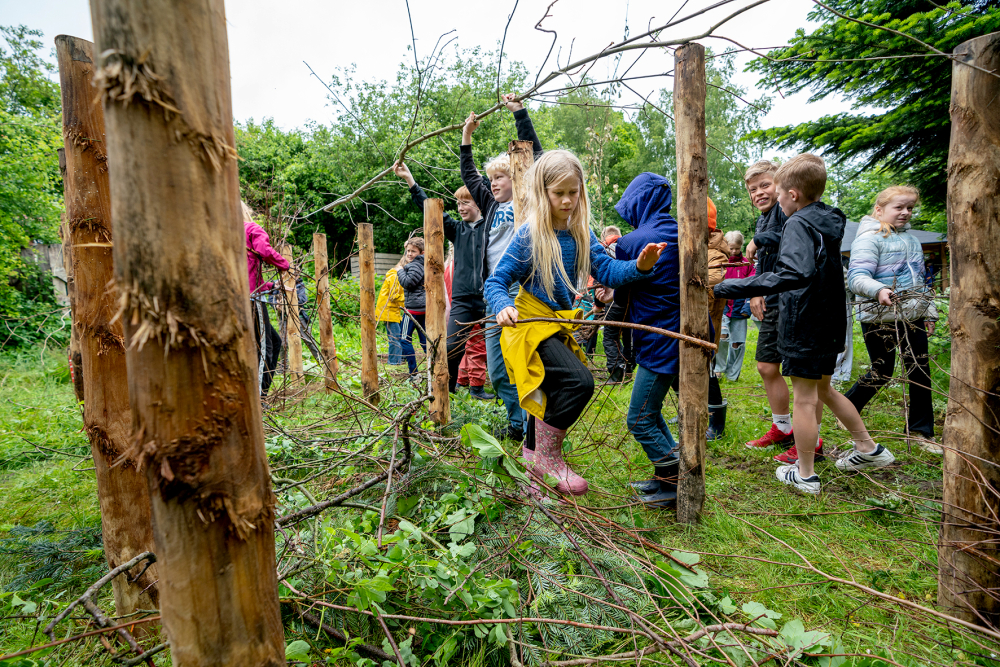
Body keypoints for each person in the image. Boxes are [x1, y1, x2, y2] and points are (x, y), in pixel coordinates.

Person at [484, 150, 667, 496]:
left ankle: (532, 467)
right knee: (578, 382)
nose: (568, 200)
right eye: (559, 193)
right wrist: (502, 305)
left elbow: (609, 271)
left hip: (559, 322)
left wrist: (641, 268)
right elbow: (496, 281)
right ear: (543, 192)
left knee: (550, 390)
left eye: (574, 191)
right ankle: (548, 459)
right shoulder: (530, 236)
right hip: (530, 321)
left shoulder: (582, 233)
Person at [714, 153, 895, 494]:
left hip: (805, 320)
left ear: (792, 194)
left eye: (778, 192)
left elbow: (794, 274)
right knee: (824, 389)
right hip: (829, 321)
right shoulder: (828, 219)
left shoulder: (797, 223)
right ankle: (869, 448)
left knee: (806, 399)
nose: (776, 199)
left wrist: (727, 287)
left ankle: (806, 473)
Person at [461, 94, 543, 442]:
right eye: (491, 179)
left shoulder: (529, 199)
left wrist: (519, 113)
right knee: (496, 367)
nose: (494, 183)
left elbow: (536, 158)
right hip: (496, 292)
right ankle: (516, 420)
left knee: (524, 361)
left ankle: (534, 426)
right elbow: (468, 172)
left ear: (517, 179)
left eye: (501, 178)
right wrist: (467, 136)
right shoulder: (490, 206)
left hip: (523, 289)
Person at [844, 185, 941, 454]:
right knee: (882, 370)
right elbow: (857, 277)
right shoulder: (868, 238)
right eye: (899, 207)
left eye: (910, 207)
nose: (906, 212)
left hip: (913, 315)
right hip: (879, 315)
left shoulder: (911, 240)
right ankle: (847, 408)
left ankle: (921, 431)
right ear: (879, 210)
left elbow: (922, 280)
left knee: (919, 370)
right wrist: (879, 289)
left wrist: (928, 312)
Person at [742, 160, 824, 465]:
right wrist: (756, 291)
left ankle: (812, 439)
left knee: (804, 376)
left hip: (796, 301)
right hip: (774, 300)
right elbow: (763, 261)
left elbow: (791, 240)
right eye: (753, 190)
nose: (759, 193)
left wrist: (759, 239)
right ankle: (783, 426)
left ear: (783, 186)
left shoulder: (789, 211)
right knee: (766, 366)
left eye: (765, 185)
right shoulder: (763, 219)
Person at [393, 164, 494, 399]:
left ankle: (503, 397)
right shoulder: (457, 230)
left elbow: (489, 192)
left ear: (478, 203)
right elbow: (430, 211)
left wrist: (479, 177)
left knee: (498, 349)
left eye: (465, 202)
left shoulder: (491, 225)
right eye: (457, 203)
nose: (460, 207)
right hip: (463, 300)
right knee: (450, 349)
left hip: (490, 296)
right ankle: (446, 392)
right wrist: (410, 180)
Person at [612, 173, 681, 507]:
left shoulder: (632, 240)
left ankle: (673, 486)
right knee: (651, 413)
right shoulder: (683, 230)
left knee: (639, 419)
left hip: (658, 337)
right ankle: (667, 476)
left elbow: (621, 290)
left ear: (638, 201)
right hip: (684, 335)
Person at [243, 201, 289, 398]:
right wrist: (284, 264)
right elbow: (263, 249)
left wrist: (271, 287)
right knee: (265, 347)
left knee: (274, 342)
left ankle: (257, 394)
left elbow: (249, 274)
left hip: (234, 297)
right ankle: (259, 398)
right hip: (251, 300)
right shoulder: (251, 228)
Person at [443, 243, 493, 400]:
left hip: (454, 314)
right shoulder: (465, 268)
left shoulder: (448, 266)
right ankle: (476, 388)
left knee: (463, 348)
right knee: (476, 348)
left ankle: (461, 381)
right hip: (469, 313)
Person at [714, 231, 754, 382]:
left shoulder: (747, 263)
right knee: (722, 336)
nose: (733, 251)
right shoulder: (720, 262)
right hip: (723, 305)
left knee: (738, 342)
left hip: (740, 306)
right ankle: (718, 368)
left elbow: (753, 283)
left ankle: (732, 374)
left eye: (736, 248)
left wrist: (748, 305)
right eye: (731, 248)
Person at [706, 199, 731, 440]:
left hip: (707, 324)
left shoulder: (715, 252)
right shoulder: (697, 246)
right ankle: (693, 410)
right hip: (689, 324)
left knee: (708, 370)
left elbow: (712, 282)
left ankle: (716, 422)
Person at [396, 237, 427, 381]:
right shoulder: (422, 263)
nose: (409, 254)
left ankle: (414, 373)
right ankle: (436, 367)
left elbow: (408, 282)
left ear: (422, 252)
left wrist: (400, 271)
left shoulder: (415, 265)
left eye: (413, 251)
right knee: (425, 342)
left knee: (404, 340)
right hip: (422, 308)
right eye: (407, 251)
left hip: (413, 310)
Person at [375, 256, 405, 366]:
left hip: (393, 312)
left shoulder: (395, 275)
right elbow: (394, 295)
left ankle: (399, 359)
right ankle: (394, 361)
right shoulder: (395, 276)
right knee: (395, 338)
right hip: (389, 312)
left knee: (399, 336)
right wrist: (407, 299)